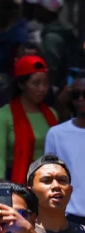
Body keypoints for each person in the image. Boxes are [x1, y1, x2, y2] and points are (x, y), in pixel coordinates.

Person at [0, 55, 57, 183]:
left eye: (45, 83)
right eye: (36, 83)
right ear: (21, 84)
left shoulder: (52, 114)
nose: (42, 89)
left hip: (47, 180)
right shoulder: (3, 115)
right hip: (16, 179)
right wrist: (0, 180)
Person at [45, 77, 85, 224]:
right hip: (69, 216)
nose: (81, 99)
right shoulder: (56, 134)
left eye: (84, 94)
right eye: (76, 94)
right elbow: (48, 176)